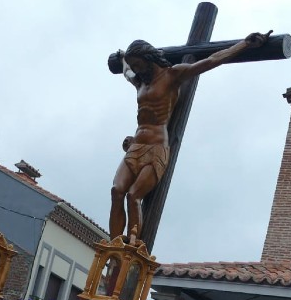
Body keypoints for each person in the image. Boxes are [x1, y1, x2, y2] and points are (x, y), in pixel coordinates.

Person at [109, 32, 270, 240]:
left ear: (149, 59)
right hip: (135, 147)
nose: (137, 70)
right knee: (116, 191)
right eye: (135, 66)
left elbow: (212, 60)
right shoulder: (140, 83)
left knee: (133, 196)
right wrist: (123, 58)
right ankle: (112, 248)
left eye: (139, 65)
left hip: (156, 147)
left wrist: (244, 44)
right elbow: (127, 72)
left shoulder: (172, 76)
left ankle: (131, 244)